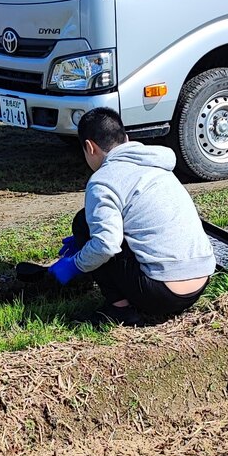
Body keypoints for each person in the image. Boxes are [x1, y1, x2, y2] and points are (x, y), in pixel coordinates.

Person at [47, 108, 215, 326]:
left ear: (90, 147)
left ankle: (120, 310)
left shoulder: (103, 181)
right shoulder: (157, 166)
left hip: (161, 293)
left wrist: (74, 264)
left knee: (83, 223)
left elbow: (106, 246)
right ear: (125, 138)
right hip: (200, 283)